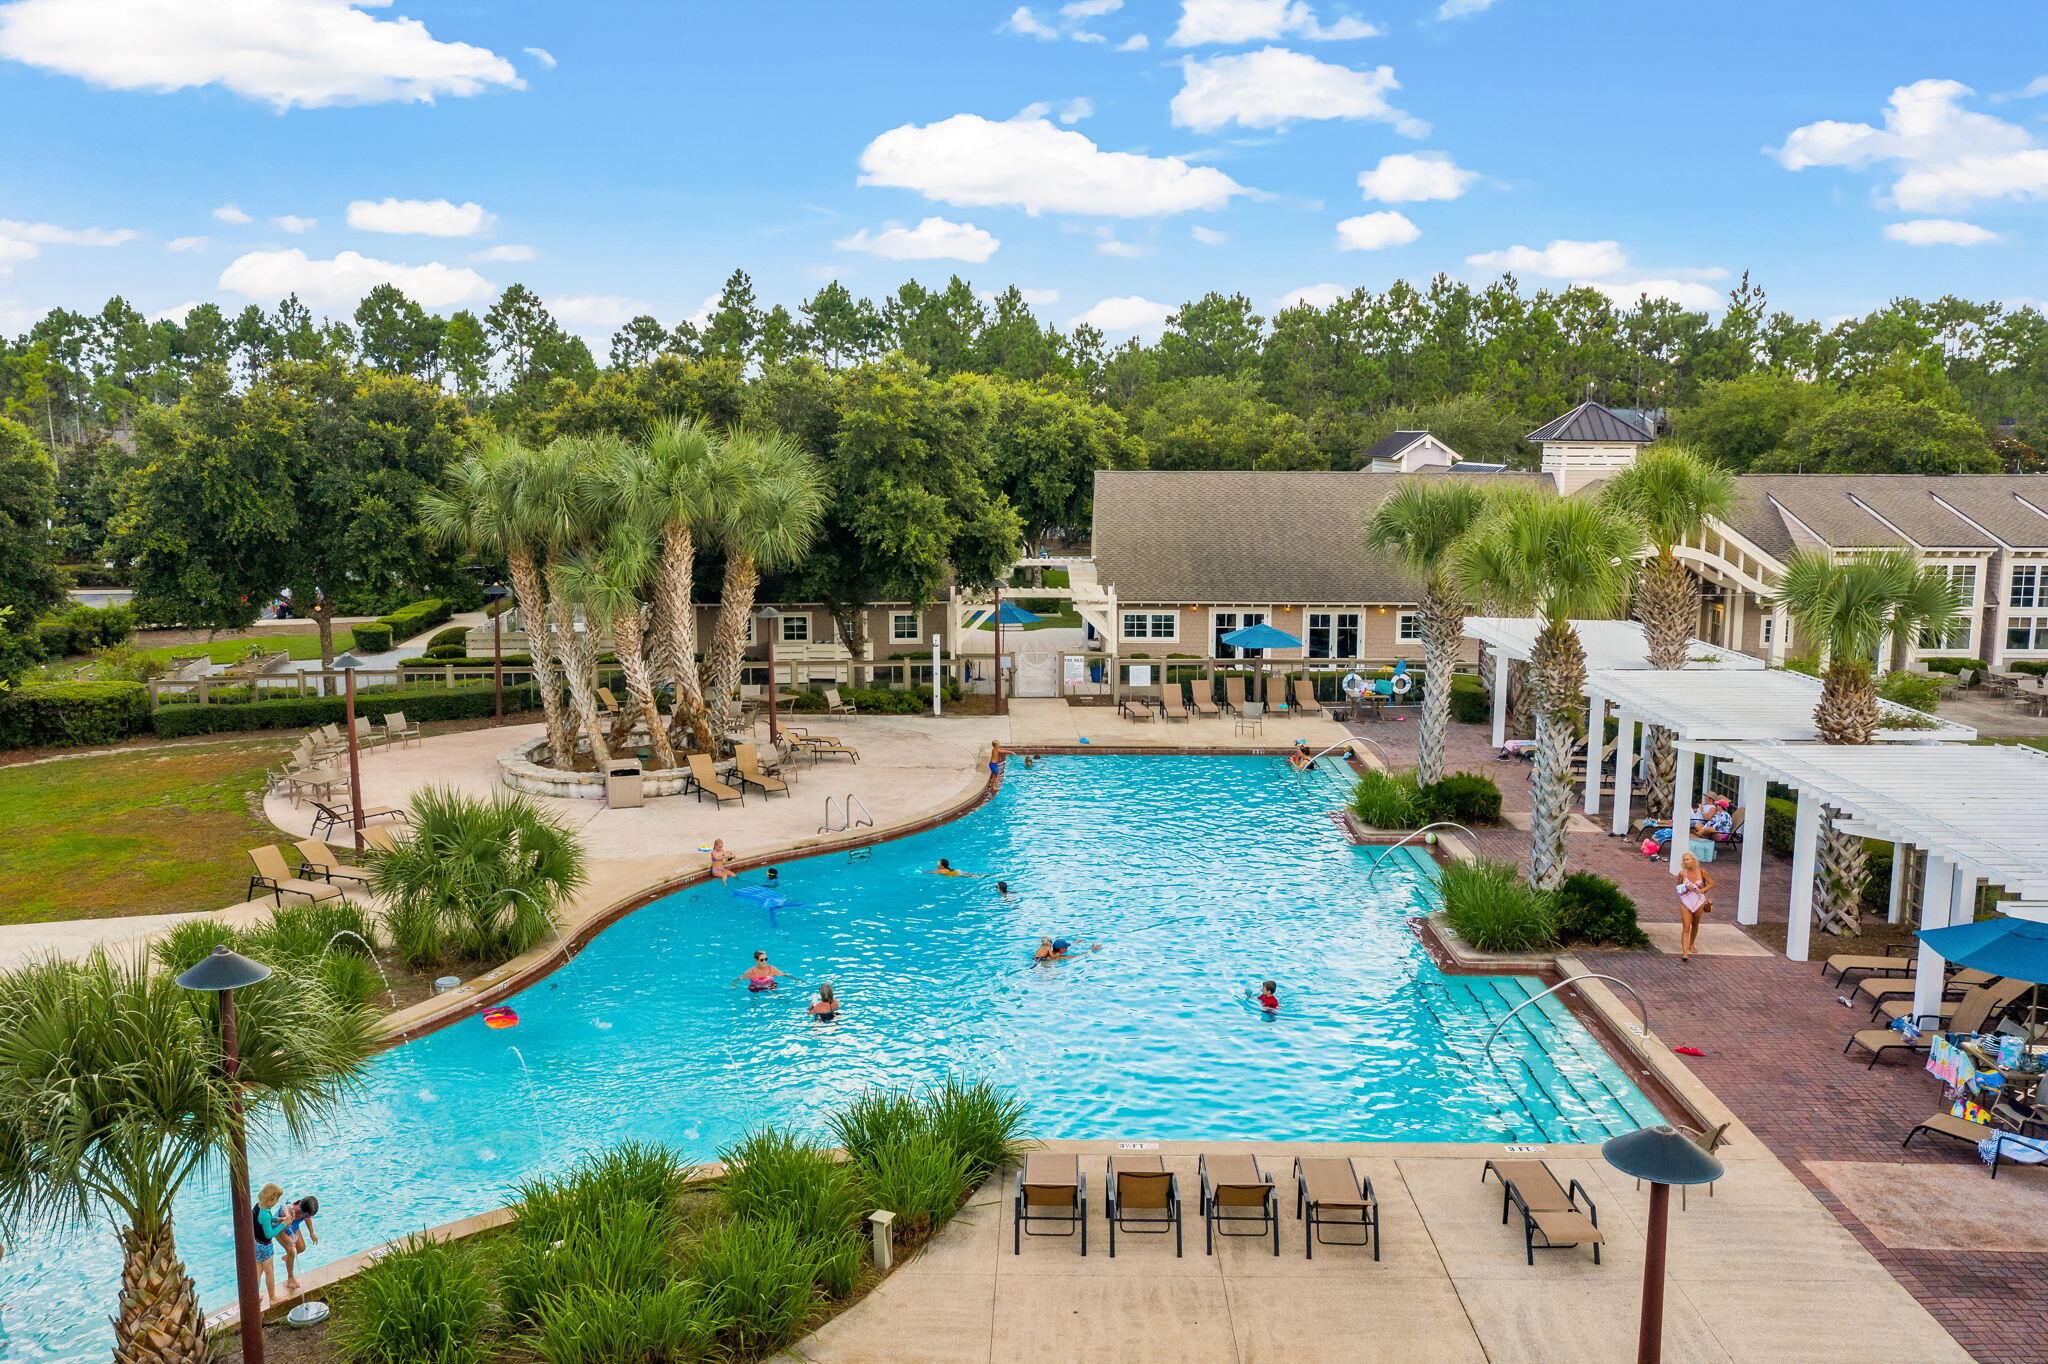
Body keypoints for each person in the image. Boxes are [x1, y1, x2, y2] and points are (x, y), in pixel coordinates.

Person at [1675, 852, 1716, 960]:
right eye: (1684, 860)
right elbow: (1678, 888)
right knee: (1686, 927)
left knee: (1695, 924)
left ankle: (1691, 944)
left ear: (1694, 860)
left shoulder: (1702, 872)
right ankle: (1684, 953)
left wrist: (1702, 890)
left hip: (1699, 902)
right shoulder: (1682, 873)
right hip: (1686, 902)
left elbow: (1712, 883)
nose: (1685, 861)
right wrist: (1685, 887)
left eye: (1687, 859)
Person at [252, 1183, 285, 1304]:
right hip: (265, 1246)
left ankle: (255, 1296)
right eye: (276, 1199)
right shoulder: (265, 1215)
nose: (277, 1202)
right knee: (269, 1271)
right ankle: (272, 1298)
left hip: (256, 1243)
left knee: (258, 1271)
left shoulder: (258, 1206)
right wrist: (284, 1224)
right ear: (270, 1199)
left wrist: (277, 1219)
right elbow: (269, 1234)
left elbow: (261, 1220)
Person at [279, 1195, 319, 1292]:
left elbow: (307, 1219)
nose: (306, 1217)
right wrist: (288, 1240)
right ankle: (290, 1278)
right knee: (291, 1251)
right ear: (300, 1205)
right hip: (279, 1227)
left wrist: (312, 1233)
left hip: (293, 1225)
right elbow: (280, 1230)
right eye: (304, 1215)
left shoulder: (305, 1212)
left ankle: (287, 1258)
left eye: (308, 1216)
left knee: (301, 1248)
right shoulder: (287, 1212)